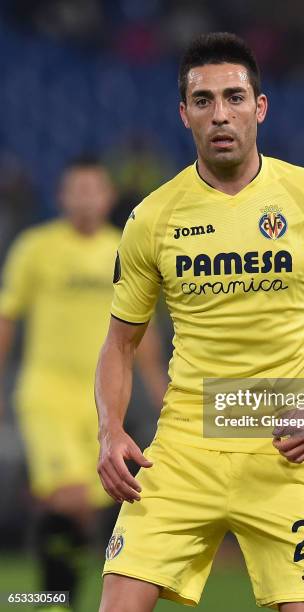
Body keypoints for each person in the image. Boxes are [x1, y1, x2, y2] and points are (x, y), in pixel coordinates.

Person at [96, 33, 304, 612]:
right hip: (184, 447)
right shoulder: (151, 218)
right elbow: (120, 343)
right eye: (204, 101)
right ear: (183, 114)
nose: (221, 114)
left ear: (260, 107)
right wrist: (111, 429)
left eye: (234, 97)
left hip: (287, 448)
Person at [0, 157, 166, 608]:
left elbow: (138, 331)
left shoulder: (126, 248)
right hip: (46, 391)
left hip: (100, 401)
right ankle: (54, 598)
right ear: (62, 197)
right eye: (77, 190)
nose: (86, 199)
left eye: (94, 190)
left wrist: (157, 387)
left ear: (108, 197)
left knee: (82, 509)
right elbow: (7, 318)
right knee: (71, 497)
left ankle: (51, 598)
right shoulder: (35, 248)